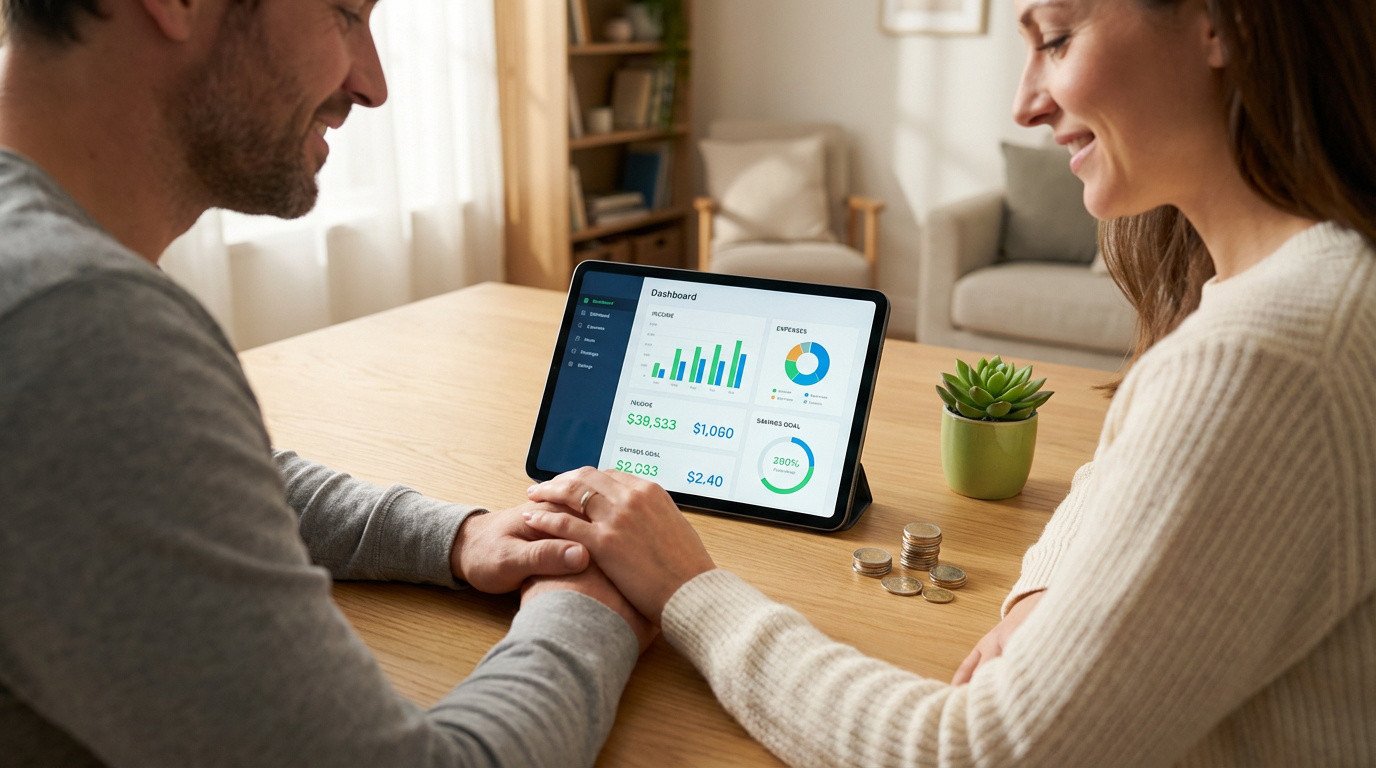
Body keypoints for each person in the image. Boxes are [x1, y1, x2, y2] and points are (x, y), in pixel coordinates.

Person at [523, 0, 1376, 764]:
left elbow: (972, 753)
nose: (1025, 104)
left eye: (1056, 38)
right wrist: (1044, 593)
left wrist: (687, 586)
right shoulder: (1302, 289)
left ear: (1224, 23)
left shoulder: (1264, 356)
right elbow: (1121, 475)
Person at [0, 1, 650, 766]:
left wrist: (456, 536)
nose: (372, 85)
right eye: (345, 12)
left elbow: (179, 478)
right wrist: (586, 608)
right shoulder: (72, 323)